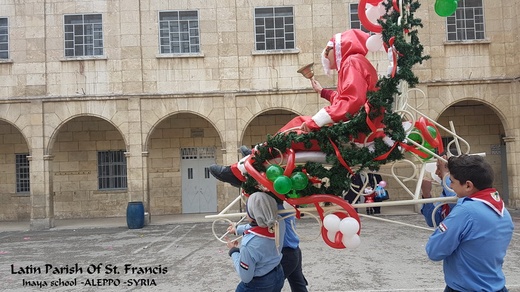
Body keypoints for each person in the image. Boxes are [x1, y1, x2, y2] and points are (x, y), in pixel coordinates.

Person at [209, 29, 380, 187]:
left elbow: (352, 101)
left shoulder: (352, 62)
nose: (326, 58)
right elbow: (349, 100)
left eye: (327, 52)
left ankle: (241, 169)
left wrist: (316, 121)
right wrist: (324, 92)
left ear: (337, 49)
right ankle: (257, 153)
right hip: (358, 131)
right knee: (296, 126)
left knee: (293, 132)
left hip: (355, 135)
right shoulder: (355, 62)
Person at [425, 155, 514, 292]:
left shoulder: (465, 211)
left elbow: (434, 251)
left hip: (466, 288)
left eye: (452, 181)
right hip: (496, 286)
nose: (450, 185)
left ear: (468, 185)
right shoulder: (502, 210)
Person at [230, 199, 309, 292]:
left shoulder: (275, 209)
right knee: (298, 285)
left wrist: (233, 251)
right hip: (294, 249)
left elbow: (260, 222)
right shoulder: (278, 208)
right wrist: (237, 229)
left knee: (271, 283)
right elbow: (260, 222)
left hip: (286, 253)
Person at [226, 191, 286, 292]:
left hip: (258, 284)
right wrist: (237, 229)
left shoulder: (248, 245)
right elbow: (260, 225)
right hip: (278, 274)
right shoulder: (279, 222)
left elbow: (246, 277)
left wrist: (233, 251)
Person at [420, 155, 457, 227]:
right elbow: (433, 221)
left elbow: (456, 203)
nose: (436, 172)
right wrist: (426, 195)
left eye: (440, 168)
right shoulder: (445, 192)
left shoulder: (466, 191)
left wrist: (445, 175)